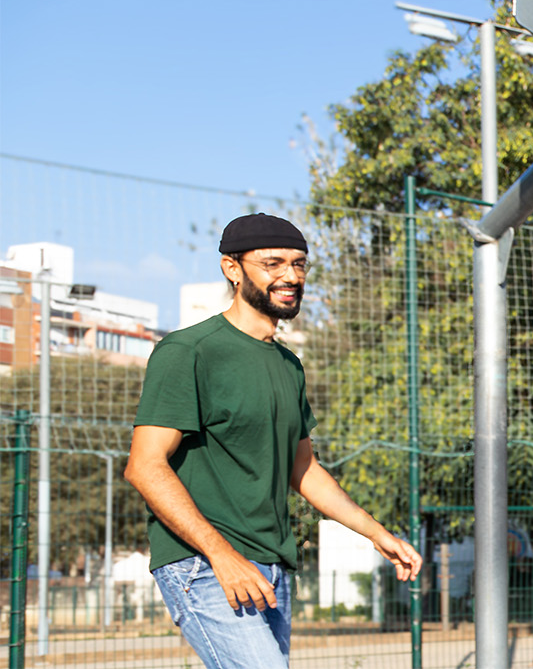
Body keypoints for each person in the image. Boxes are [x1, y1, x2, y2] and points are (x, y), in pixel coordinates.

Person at [126, 213, 422, 668]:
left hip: (271, 564)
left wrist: (376, 534)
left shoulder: (288, 364)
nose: (290, 276)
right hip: (205, 564)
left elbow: (302, 469)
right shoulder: (190, 351)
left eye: (299, 264)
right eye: (273, 263)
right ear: (232, 268)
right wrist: (222, 556)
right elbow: (145, 466)